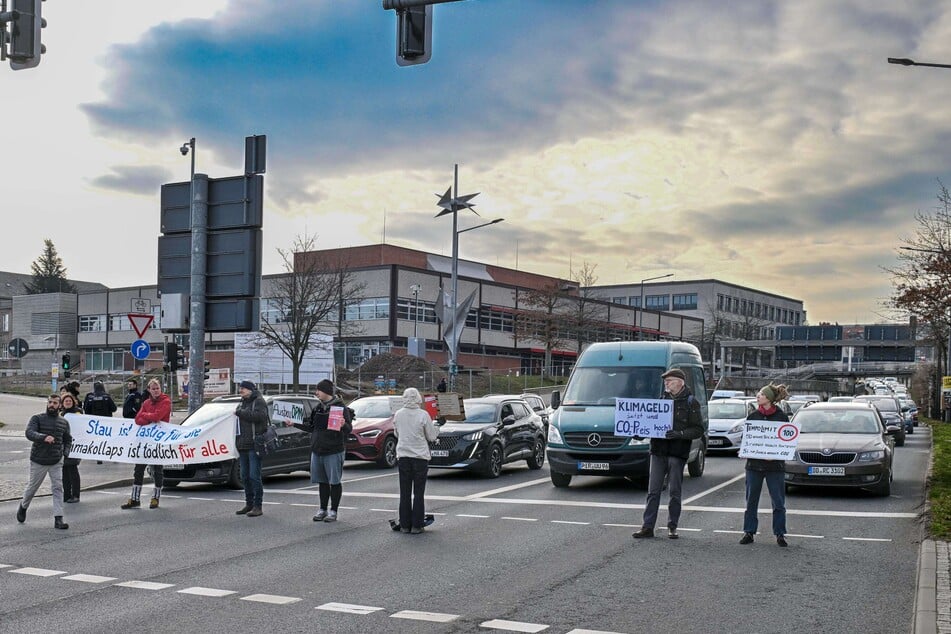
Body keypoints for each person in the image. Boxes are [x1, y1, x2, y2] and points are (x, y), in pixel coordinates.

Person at [632, 368, 704, 540]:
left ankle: (672, 526)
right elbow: (650, 424)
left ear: (680, 382)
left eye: (670, 380)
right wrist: (639, 432)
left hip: (677, 453)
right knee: (653, 491)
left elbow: (698, 429)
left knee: (675, 492)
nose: (666, 383)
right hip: (658, 451)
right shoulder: (661, 401)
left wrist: (680, 434)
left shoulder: (691, 402)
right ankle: (647, 527)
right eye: (666, 381)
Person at [290, 379, 353, 523]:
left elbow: (349, 429)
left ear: (326, 391)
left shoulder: (340, 407)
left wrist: (343, 425)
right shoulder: (318, 408)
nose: (316, 393)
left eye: (319, 390)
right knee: (322, 482)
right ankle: (322, 509)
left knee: (334, 481)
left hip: (333, 450)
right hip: (317, 450)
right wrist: (294, 423)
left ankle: (333, 511)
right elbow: (312, 427)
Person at [740, 382, 791, 547]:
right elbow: (747, 439)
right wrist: (745, 450)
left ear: (769, 398)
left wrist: (774, 455)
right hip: (754, 466)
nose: (758, 396)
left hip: (775, 467)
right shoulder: (753, 417)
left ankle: (780, 533)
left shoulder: (781, 417)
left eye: (761, 394)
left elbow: (787, 442)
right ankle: (749, 532)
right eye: (759, 394)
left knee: (778, 502)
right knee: (751, 500)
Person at [16, 394, 72, 530]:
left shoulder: (64, 422)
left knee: (58, 488)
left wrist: (65, 454)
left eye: (55, 403)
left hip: (56, 460)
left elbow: (68, 440)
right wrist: (43, 437)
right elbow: (29, 433)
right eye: (50, 402)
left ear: (60, 405)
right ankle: (23, 506)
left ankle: (58, 518)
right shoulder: (37, 418)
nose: (52, 405)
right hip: (38, 460)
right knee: (32, 487)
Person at [393, 387, 440, 534]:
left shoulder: (398, 414)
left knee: (404, 492)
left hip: (403, 456)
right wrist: (437, 426)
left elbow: (397, 433)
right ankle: (417, 525)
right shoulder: (423, 415)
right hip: (420, 457)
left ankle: (404, 524)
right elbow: (431, 436)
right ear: (418, 398)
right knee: (418, 493)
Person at [121, 378, 172, 510]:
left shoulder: (166, 401)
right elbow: (137, 419)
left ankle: (155, 498)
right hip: (144, 441)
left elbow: (157, 417)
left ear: (160, 389)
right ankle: (135, 499)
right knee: (138, 470)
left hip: (158, 441)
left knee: (157, 470)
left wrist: (146, 415)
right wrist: (149, 416)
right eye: (153, 389)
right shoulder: (146, 402)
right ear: (149, 390)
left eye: (157, 388)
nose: (156, 391)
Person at [234, 380, 270, 518]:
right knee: (244, 476)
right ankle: (249, 503)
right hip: (243, 444)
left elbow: (260, 417)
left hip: (255, 445)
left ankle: (257, 506)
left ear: (250, 389)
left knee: (254, 476)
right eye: (240, 388)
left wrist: (240, 413)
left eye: (243, 388)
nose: (241, 390)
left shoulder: (259, 401)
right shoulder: (241, 402)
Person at [59, 393, 83, 503]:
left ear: (73, 402)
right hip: (62, 445)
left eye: (69, 401)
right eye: (66, 401)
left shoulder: (78, 412)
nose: (68, 402)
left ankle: (76, 495)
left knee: (73, 470)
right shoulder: (61, 414)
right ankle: (67, 494)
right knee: (64, 472)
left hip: (74, 445)